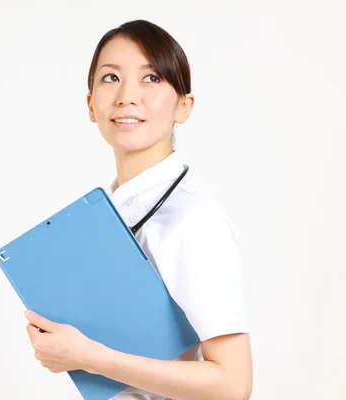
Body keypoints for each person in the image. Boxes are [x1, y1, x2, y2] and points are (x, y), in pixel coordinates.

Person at [23, 19, 253, 400]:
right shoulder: (106, 212)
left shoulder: (194, 220)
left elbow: (233, 385)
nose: (128, 95)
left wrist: (90, 357)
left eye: (151, 79)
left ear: (183, 106)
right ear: (90, 105)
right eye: (111, 78)